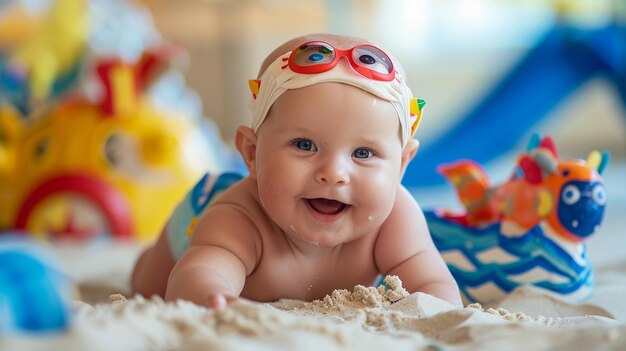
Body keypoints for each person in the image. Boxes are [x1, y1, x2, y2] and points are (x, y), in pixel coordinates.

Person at [131, 33, 462, 309]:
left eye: (363, 153)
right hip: (194, 222)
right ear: (252, 151)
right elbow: (201, 272)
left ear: (402, 164)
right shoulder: (238, 217)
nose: (333, 173)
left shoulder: (395, 220)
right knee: (147, 284)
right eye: (305, 145)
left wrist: (434, 311)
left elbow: (433, 285)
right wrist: (212, 297)